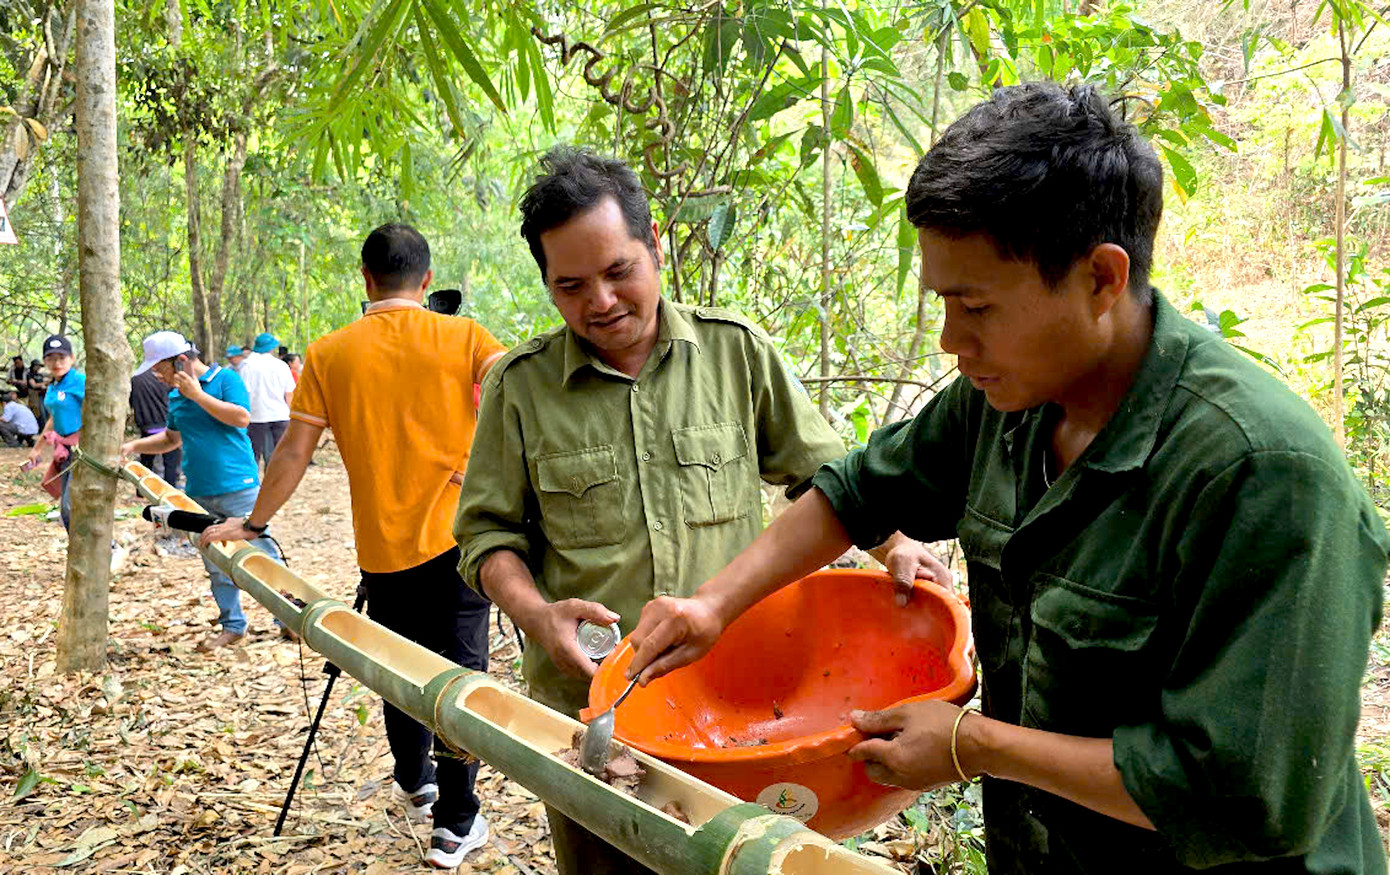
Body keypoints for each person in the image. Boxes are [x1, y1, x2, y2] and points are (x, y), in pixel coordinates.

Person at [625, 83, 1390, 875]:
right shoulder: (1006, 401)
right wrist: (713, 604)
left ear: (1100, 277)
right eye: (943, 305)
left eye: (977, 307)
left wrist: (974, 743)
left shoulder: (1262, 477)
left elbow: (1241, 794)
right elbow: (857, 492)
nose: (953, 340)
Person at [451, 147, 946, 875]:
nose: (601, 301)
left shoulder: (735, 354)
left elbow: (831, 479)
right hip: (598, 713)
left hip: (742, 705)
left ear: (655, 246)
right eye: (571, 285)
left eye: (619, 271)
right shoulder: (520, 390)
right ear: (549, 286)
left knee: (740, 862)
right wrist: (537, 615)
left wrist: (894, 543)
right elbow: (485, 537)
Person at [201, 223, 507, 869]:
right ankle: (455, 822)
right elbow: (521, 394)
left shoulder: (330, 353)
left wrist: (252, 524)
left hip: (383, 548)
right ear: (426, 280)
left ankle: (414, 778)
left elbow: (292, 452)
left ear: (365, 278)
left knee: (396, 666)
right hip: (460, 544)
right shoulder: (465, 335)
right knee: (460, 675)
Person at [120, 332, 285, 652]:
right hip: (197, 491)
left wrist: (197, 395)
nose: (158, 376)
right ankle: (232, 625)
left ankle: (288, 620)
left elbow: (240, 418)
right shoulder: (176, 396)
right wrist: (134, 445)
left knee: (264, 556)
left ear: (180, 360)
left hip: (239, 486)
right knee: (215, 559)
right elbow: (171, 439)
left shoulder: (225, 379)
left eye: (160, 369)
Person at [21, 335, 85, 530]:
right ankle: (80, 552)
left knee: (70, 506)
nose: (57, 363)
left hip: (83, 452)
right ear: (45, 361)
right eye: (51, 358)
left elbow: (97, 415)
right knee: (65, 509)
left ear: (72, 359)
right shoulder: (53, 386)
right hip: (64, 450)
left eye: (62, 357)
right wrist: (37, 449)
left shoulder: (81, 382)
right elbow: (52, 419)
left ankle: (108, 548)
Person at [238, 333, 295, 468]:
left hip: (256, 416)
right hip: (280, 415)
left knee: (254, 453)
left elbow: (244, 393)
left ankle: (254, 483)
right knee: (280, 454)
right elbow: (289, 394)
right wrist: (292, 414)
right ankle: (277, 484)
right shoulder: (282, 366)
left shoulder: (247, 366)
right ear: (272, 348)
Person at [129, 361, 182, 488]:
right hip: (164, 423)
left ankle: (141, 490)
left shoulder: (135, 378)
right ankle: (171, 487)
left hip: (146, 424)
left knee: (146, 459)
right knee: (171, 460)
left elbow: (131, 401)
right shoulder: (162, 377)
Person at [25, 359, 47, 426]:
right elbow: (33, 385)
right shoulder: (30, 375)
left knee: (45, 411)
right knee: (37, 411)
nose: (39, 367)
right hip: (34, 396)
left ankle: (43, 427)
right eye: (38, 366)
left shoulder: (40, 375)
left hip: (42, 395)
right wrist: (44, 383)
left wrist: (45, 385)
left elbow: (44, 385)